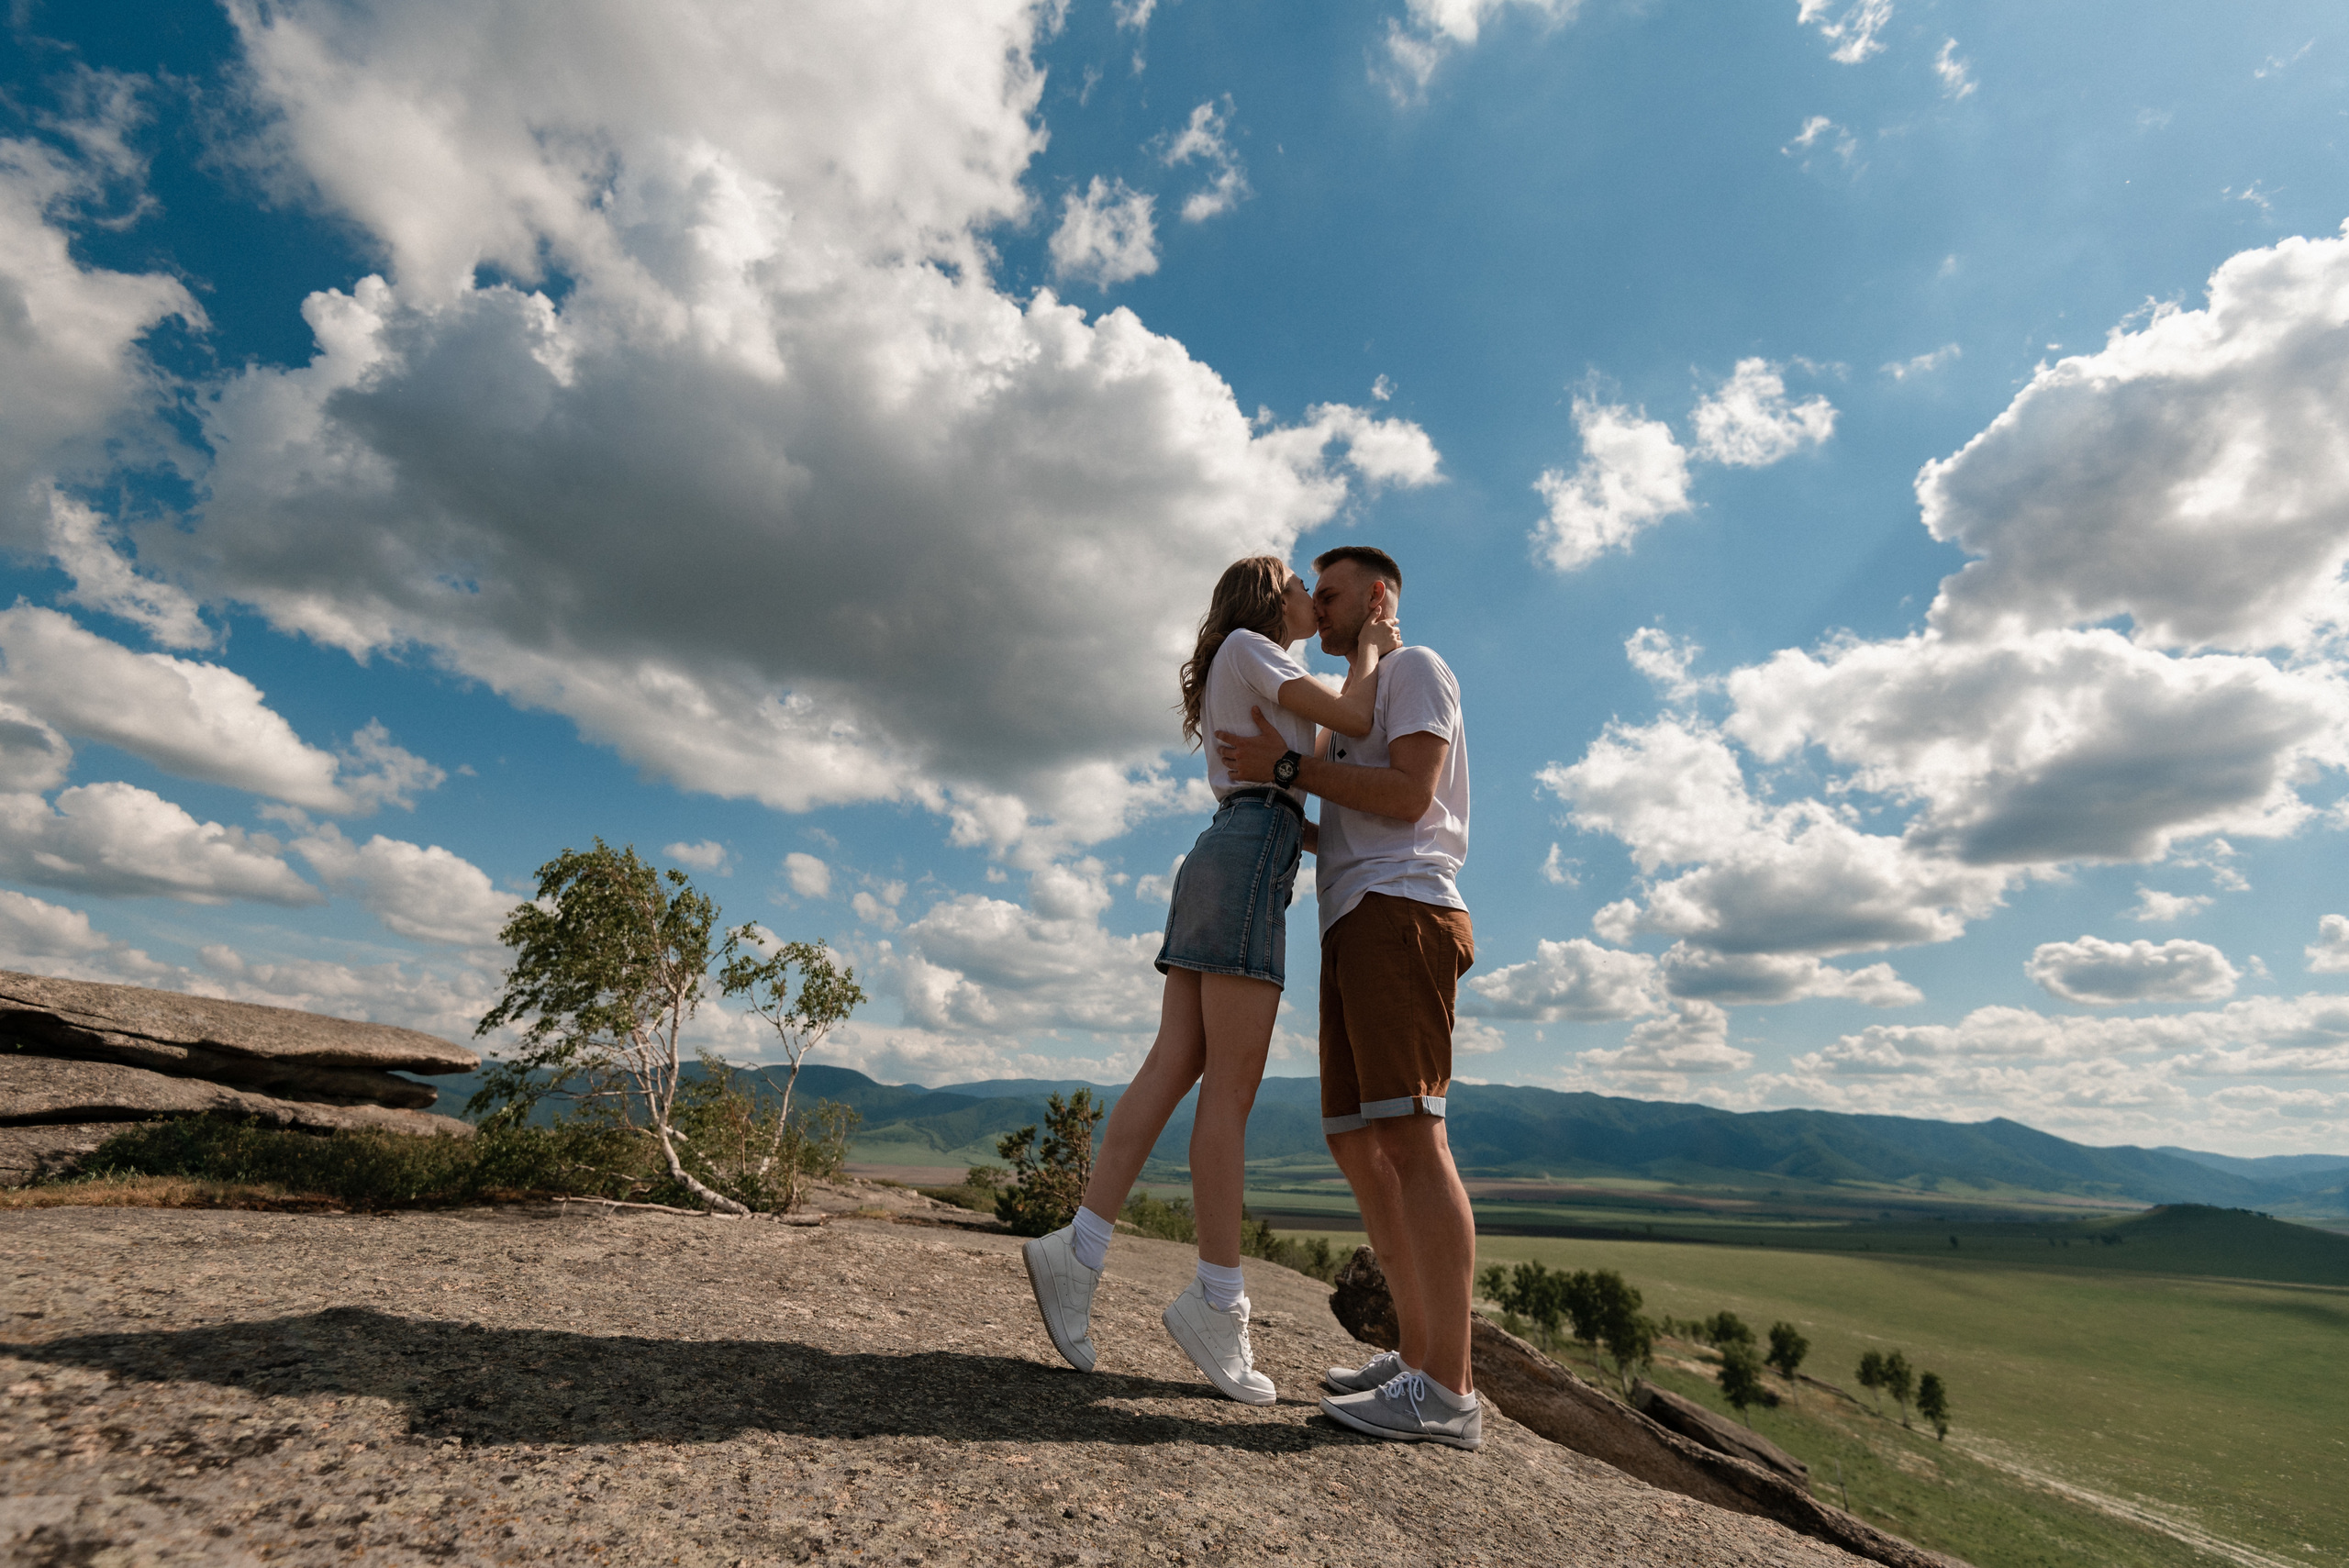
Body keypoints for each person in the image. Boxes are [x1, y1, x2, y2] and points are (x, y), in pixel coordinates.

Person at [1019, 553, 1398, 1404]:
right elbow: (1353, 712)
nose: (1310, 595)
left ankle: (1076, 1252)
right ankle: (1216, 1302)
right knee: (1228, 1092)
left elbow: (1303, 776)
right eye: (1300, 586)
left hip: (1236, 848)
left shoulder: (1244, 664)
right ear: (1271, 599)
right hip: (1245, 858)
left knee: (1175, 1065)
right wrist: (1369, 645)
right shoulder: (1254, 650)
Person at [1218, 544, 1481, 1451]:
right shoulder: (1364, 689)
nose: (1315, 610)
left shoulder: (1415, 667)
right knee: (1353, 1136)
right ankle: (1417, 1354)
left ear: (1375, 597)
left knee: (1411, 1135)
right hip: (1355, 917)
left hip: (1402, 907)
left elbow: (1408, 795)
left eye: (1327, 596)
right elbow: (1347, 781)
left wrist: (1287, 772)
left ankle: (1446, 1393)